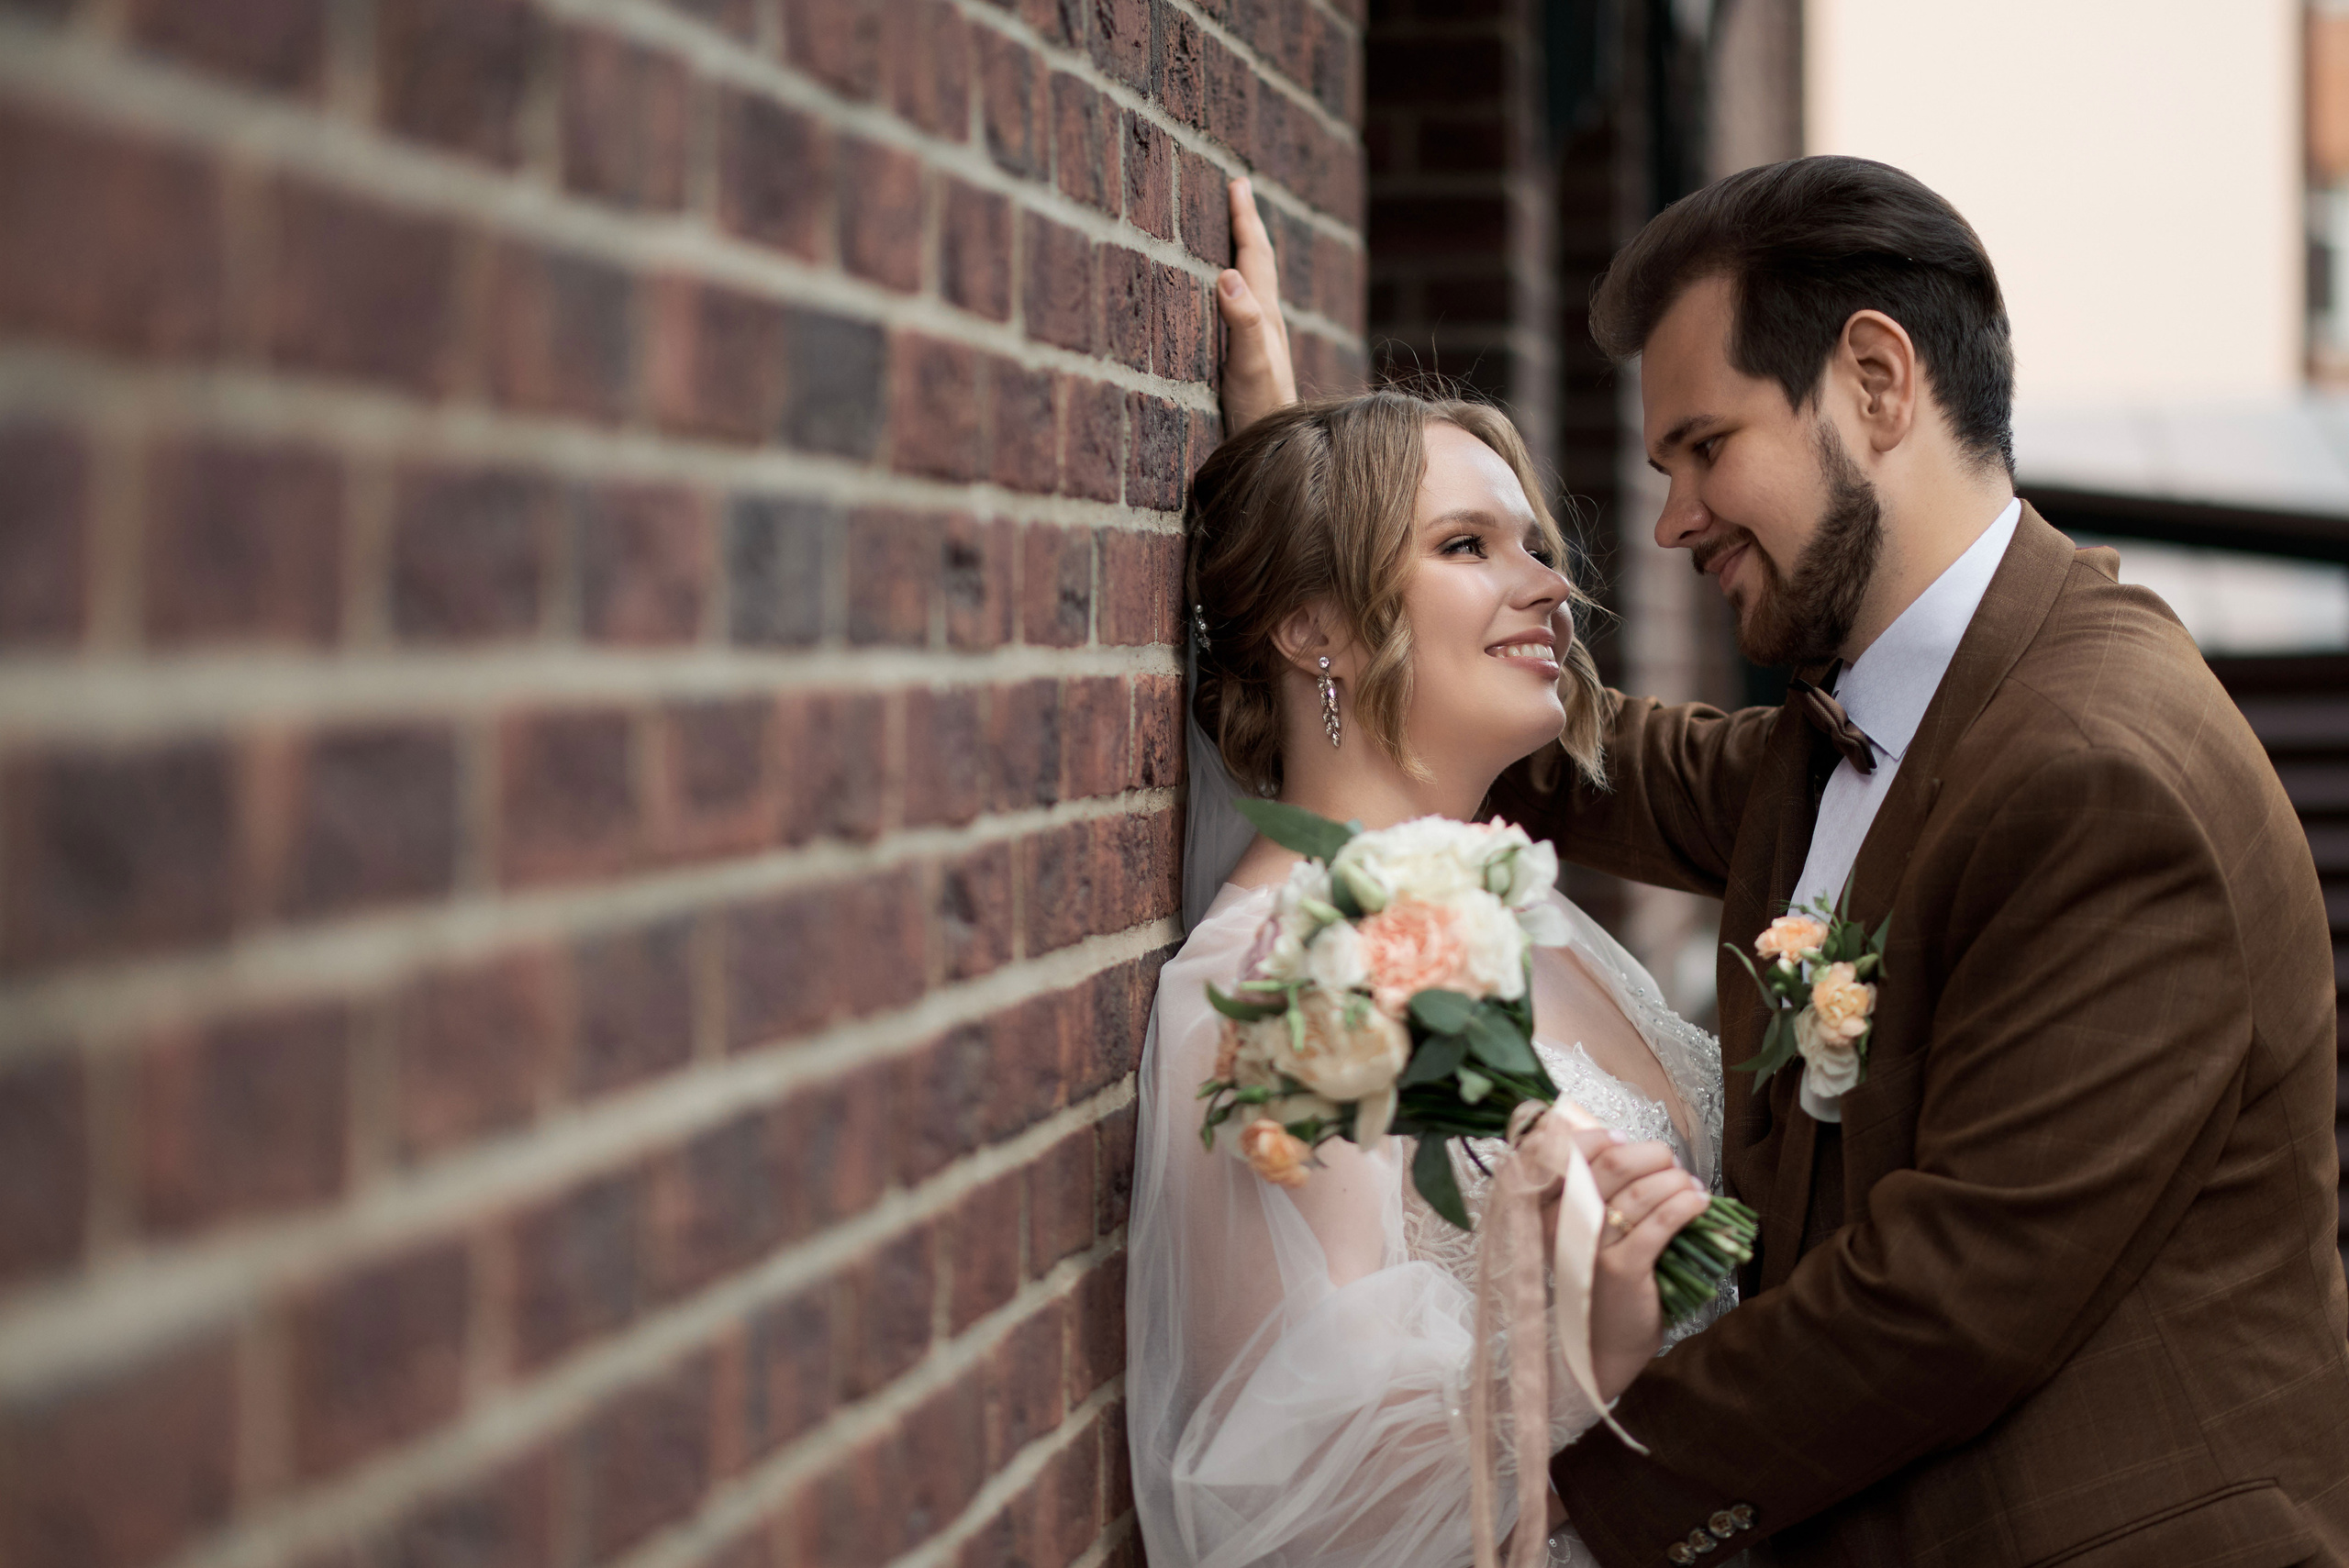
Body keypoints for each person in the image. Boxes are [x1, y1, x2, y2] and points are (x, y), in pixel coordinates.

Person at [1216, 158, 2349, 1566]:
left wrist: (1558, 1488)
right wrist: (1313, 559)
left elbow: (1950, 1295)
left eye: (1705, 445)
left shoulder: (2100, 770)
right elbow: (1563, 742)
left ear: (1875, 381)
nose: (1674, 516)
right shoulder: (1866, 724)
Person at [1126, 383, 1743, 1568]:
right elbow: (1300, 1517)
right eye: (1469, 545)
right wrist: (1585, 1359)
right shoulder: (1279, 983)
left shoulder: (1524, 910)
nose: (1553, 588)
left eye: (1539, 546)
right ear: (1314, 628)